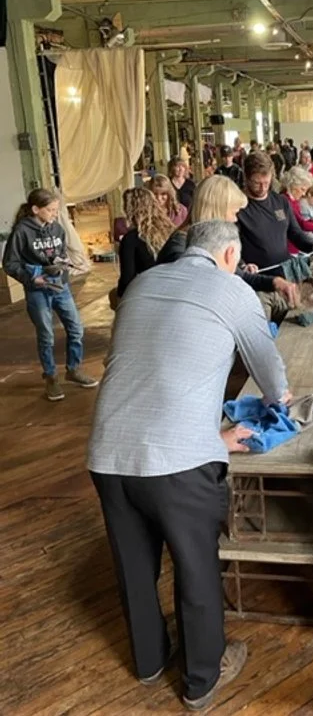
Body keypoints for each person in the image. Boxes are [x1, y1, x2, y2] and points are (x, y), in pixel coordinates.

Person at [87, 220, 291, 711]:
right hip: (176, 464)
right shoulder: (232, 288)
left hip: (108, 451)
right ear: (229, 256)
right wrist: (279, 400)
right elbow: (271, 376)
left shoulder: (143, 283)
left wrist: (209, 437)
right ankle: (201, 677)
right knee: (196, 566)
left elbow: (147, 368)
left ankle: (149, 662)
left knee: (134, 567)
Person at [2, 188, 98, 401]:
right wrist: (31, 278)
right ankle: (51, 377)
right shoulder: (22, 231)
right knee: (46, 335)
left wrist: (62, 263)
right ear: (36, 209)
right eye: (51, 210)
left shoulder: (56, 228)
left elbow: (60, 252)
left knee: (76, 328)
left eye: (56, 210)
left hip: (60, 286)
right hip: (37, 290)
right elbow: (10, 263)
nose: (55, 214)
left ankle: (74, 369)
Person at [157, 176, 298, 317]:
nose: (235, 219)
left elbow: (241, 276)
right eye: (234, 213)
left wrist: (275, 282)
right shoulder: (180, 247)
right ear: (218, 210)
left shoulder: (209, 241)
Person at [237, 152, 313, 273]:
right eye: (256, 183)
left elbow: (295, 233)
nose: (263, 188)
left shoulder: (281, 201)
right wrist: (242, 266)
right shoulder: (237, 207)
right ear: (246, 178)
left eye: (266, 183)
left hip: (285, 268)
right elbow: (231, 246)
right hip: (258, 275)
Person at [117, 188, 175, 300]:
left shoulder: (131, 239)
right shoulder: (171, 230)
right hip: (174, 287)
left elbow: (127, 279)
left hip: (148, 291)